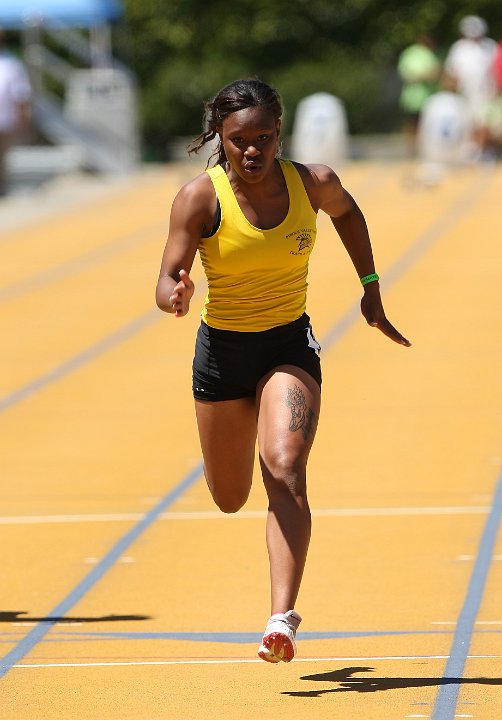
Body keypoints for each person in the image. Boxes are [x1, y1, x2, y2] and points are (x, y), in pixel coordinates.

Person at [156, 78, 411, 664]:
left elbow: (348, 213)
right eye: (239, 139)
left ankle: (281, 618)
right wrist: (176, 292)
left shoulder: (311, 183)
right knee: (228, 495)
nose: (252, 151)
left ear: (280, 132)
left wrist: (370, 287)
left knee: (286, 467)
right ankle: (231, 464)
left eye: (264, 138)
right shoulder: (200, 198)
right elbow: (168, 273)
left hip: (287, 344)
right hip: (222, 353)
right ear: (220, 138)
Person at [444, 15, 498, 158]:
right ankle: (472, 150)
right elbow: (452, 71)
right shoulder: (458, 48)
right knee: (468, 122)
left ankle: (484, 150)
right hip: (465, 93)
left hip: (487, 92)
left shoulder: (490, 46)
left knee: (485, 122)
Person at [0, 28, 32, 196]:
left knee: (2, 155)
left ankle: (2, 187)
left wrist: (23, 116)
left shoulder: (11, 64)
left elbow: (21, 93)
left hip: (4, 119)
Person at [397, 36, 441, 156]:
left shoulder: (429, 54)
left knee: (426, 126)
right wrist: (427, 76)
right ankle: (411, 150)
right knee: (412, 125)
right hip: (414, 98)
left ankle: (422, 150)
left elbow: (435, 73)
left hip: (429, 97)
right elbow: (409, 74)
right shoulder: (411, 53)